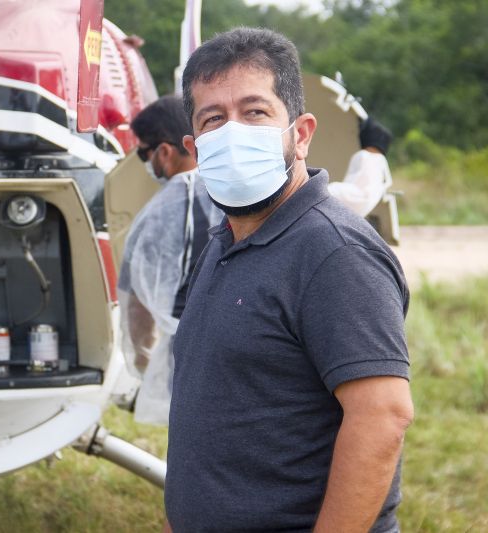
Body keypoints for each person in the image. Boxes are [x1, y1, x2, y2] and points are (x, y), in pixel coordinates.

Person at [164, 28, 414, 532]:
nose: (232, 133)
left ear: (301, 134)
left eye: (255, 112)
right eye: (214, 119)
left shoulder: (335, 252)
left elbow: (382, 417)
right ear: (195, 147)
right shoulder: (224, 242)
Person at [117, 95, 222, 426]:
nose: (145, 163)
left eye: (143, 153)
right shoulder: (237, 193)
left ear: (164, 151)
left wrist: (144, 361)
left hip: (187, 359)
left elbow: (137, 305)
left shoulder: (157, 216)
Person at [328, 117, 394, 217]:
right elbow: (388, 182)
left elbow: (350, 181)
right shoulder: (382, 159)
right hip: (369, 201)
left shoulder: (362, 155)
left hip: (357, 197)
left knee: (330, 189)